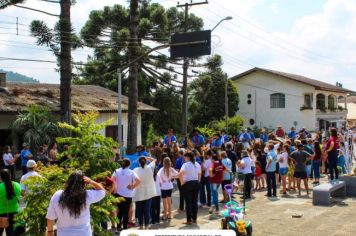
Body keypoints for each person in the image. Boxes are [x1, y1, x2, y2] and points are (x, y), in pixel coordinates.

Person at [46, 172, 106, 236]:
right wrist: (91, 181)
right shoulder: (87, 195)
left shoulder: (58, 195)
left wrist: (50, 232)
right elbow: (102, 191)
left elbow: (50, 217)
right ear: (84, 184)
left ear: (68, 182)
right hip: (84, 233)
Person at [112, 158, 141, 231]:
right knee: (126, 212)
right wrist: (133, 186)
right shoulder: (131, 172)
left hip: (118, 194)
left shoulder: (117, 171)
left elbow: (112, 180)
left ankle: (118, 228)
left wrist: (115, 188)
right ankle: (124, 228)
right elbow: (139, 181)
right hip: (128, 195)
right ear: (129, 164)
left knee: (119, 212)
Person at [133, 156, 156, 229]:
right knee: (147, 209)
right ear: (146, 161)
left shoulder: (135, 170)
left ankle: (140, 224)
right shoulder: (150, 168)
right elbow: (153, 160)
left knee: (139, 210)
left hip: (138, 192)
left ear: (138, 162)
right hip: (148, 192)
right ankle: (147, 224)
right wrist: (146, 157)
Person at [179, 151, 201, 225]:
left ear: (187, 157)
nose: (184, 159)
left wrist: (182, 182)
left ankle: (189, 220)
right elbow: (199, 174)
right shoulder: (197, 164)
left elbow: (180, 173)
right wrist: (198, 181)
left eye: (184, 157)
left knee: (188, 202)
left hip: (188, 184)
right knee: (194, 202)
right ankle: (194, 219)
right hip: (196, 183)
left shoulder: (185, 165)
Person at [0, 169, 22, 236]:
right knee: (11, 233)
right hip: (15, 211)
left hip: (2, 213)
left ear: (1, 177)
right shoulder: (17, 185)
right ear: (10, 175)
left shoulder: (0, 187)